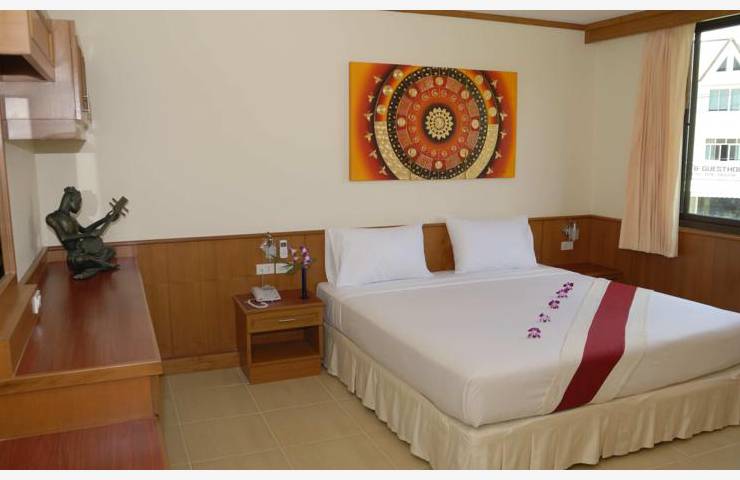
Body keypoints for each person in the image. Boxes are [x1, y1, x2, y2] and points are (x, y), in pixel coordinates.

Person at [46, 186, 121, 280]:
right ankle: (101, 266)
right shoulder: (52, 218)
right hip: (74, 257)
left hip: (83, 251)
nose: (79, 206)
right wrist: (89, 235)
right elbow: (64, 237)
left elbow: (85, 230)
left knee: (111, 251)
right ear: (70, 200)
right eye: (78, 202)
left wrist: (105, 219)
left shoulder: (72, 219)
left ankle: (94, 268)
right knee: (83, 259)